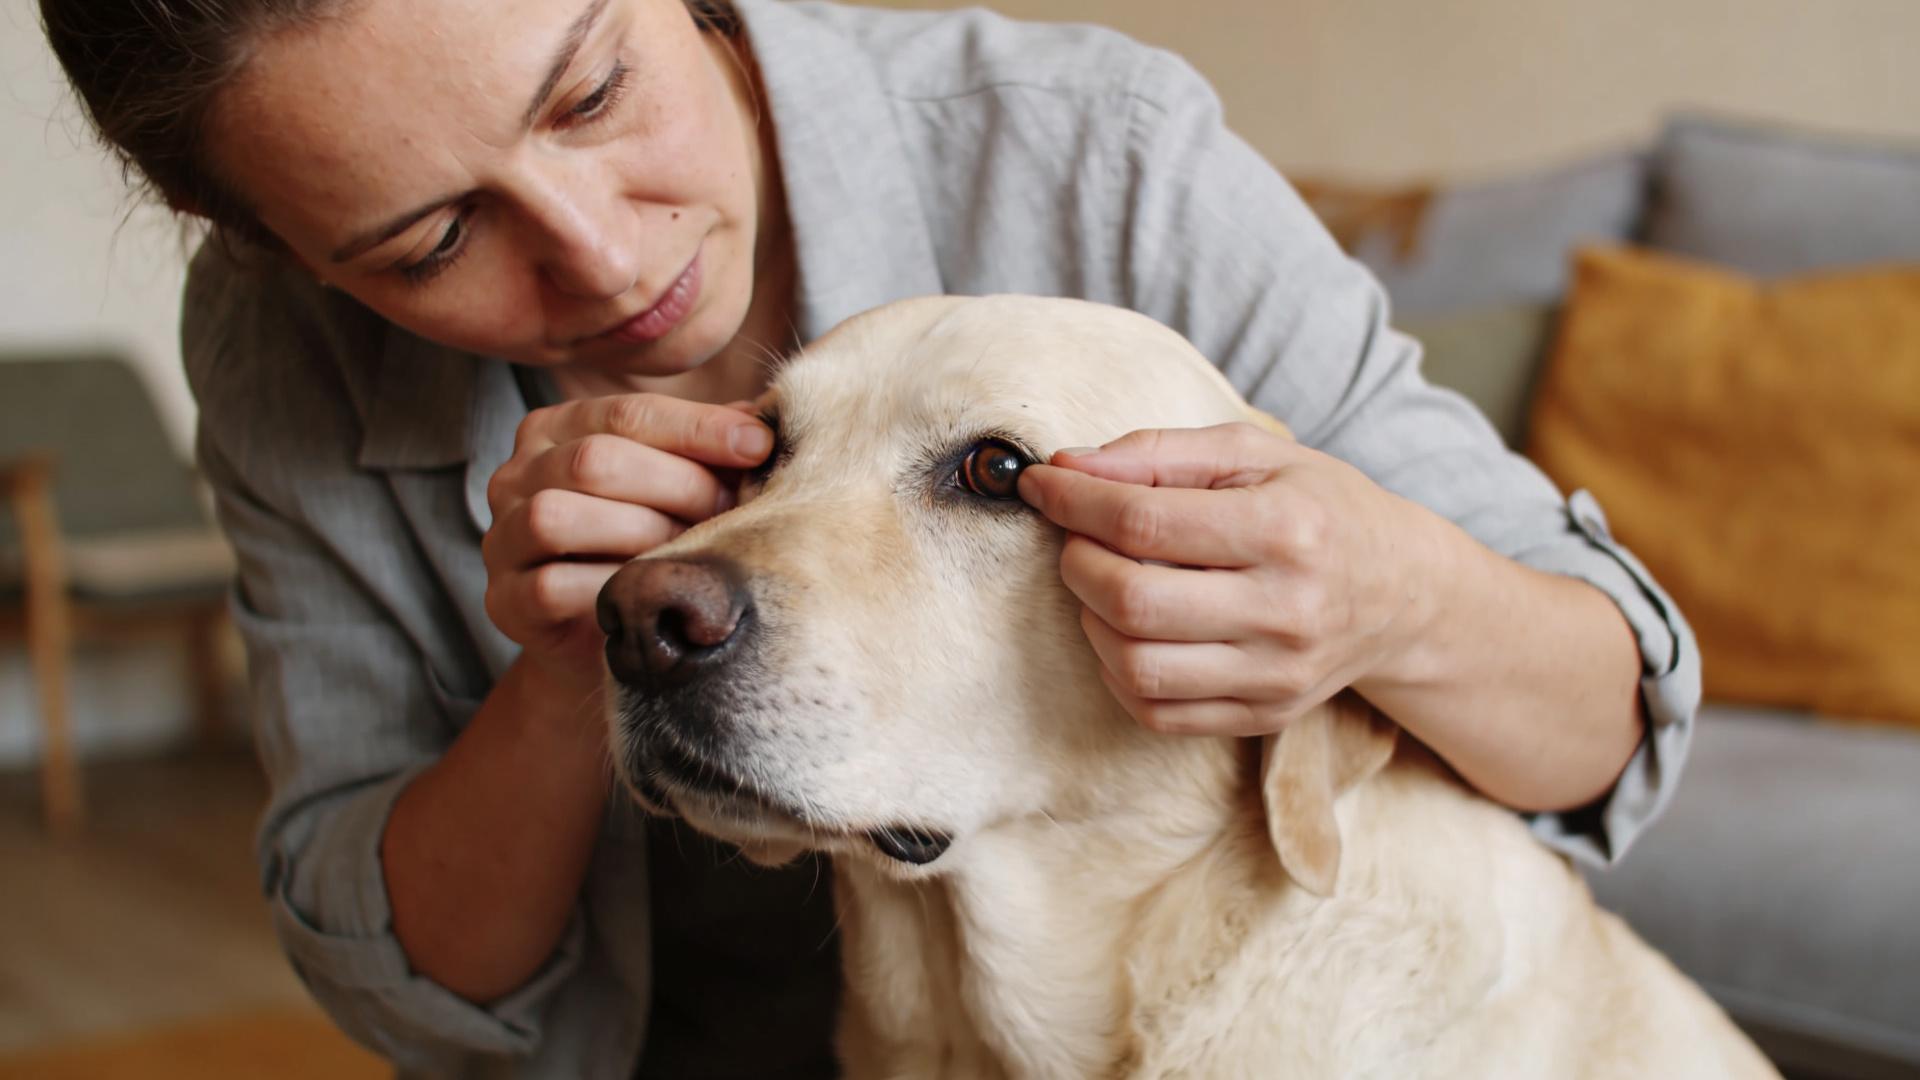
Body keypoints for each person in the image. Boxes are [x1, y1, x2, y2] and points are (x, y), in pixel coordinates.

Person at [39, 0, 1700, 1076]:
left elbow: (1601, 721)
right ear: (290, 255)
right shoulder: (278, 349)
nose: (603, 259)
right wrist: (569, 668)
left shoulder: (1098, 150)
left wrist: (1394, 592)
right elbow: (409, 983)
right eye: (429, 241)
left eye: (596, 91)